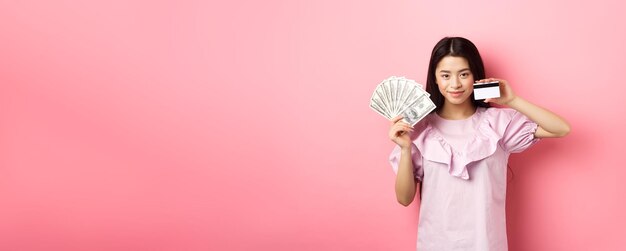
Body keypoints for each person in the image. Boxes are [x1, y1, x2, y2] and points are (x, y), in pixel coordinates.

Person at [388, 37, 570, 250]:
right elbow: (404, 198)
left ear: (475, 76)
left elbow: (561, 128)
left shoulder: (497, 123)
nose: (455, 84)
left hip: (487, 243)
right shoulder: (418, 130)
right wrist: (405, 148)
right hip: (435, 243)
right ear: (435, 78)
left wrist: (512, 100)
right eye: (445, 75)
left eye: (464, 74)